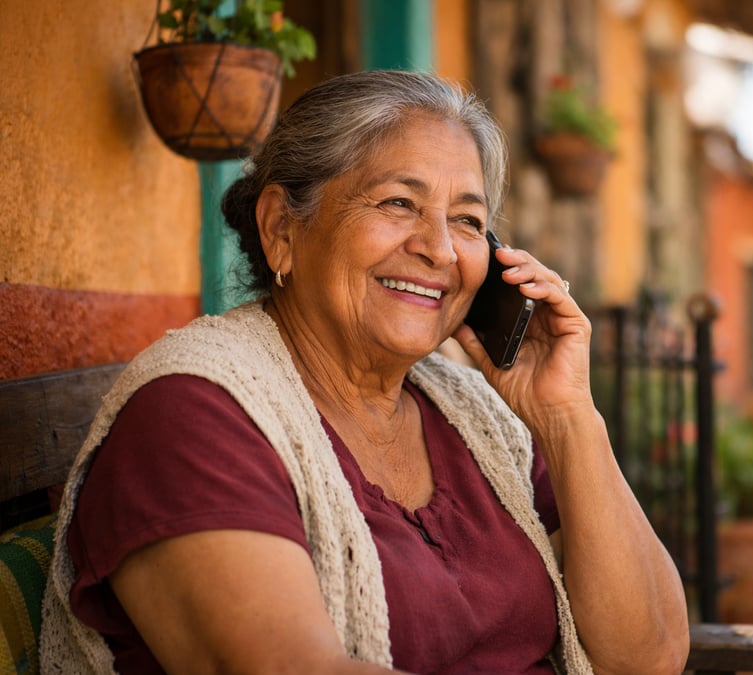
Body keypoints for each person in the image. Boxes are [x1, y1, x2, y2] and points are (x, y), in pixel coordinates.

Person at [40, 70, 689, 674]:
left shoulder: (480, 418)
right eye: (398, 203)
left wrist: (568, 414)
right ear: (280, 228)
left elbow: (649, 655)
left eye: (467, 220)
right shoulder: (191, 416)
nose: (438, 248)